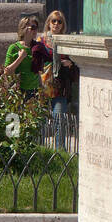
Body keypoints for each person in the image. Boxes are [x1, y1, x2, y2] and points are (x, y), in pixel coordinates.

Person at [31, 11, 78, 145]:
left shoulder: (67, 41)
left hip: (60, 87)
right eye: (54, 21)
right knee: (41, 122)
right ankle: (40, 151)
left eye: (59, 21)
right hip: (43, 85)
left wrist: (70, 64)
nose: (56, 24)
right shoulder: (41, 41)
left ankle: (60, 152)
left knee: (59, 121)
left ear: (63, 25)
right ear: (49, 23)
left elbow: (75, 62)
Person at [4, 15, 41, 97]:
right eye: (33, 27)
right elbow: (6, 71)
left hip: (35, 91)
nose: (35, 30)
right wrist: (20, 58)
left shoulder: (37, 47)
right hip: (19, 92)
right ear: (24, 28)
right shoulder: (14, 48)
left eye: (36, 27)